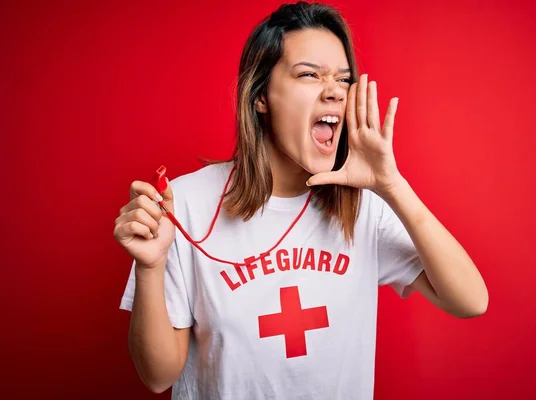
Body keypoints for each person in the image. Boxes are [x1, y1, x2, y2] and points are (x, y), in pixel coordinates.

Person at [114, 2, 488, 399]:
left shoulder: (364, 205)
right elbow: (158, 376)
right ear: (261, 96)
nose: (333, 92)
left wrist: (392, 186)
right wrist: (150, 267)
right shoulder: (186, 203)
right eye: (309, 74)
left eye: (343, 80)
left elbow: (470, 300)